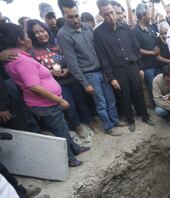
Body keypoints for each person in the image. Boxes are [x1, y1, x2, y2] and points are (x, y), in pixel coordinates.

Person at [1, 23, 89, 167]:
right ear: (20, 40)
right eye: (27, 36)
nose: (30, 38)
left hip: (44, 102)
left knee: (62, 127)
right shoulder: (22, 61)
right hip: (44, 103)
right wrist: (59, 100)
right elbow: (34, 86)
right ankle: (70, 158)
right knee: (60, 130)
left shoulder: (17, 58)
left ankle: (74, 148)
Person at [57, 0, 123, 136]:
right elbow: (72, 63)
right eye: (70, 17)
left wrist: (107, 71)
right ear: (63, 15)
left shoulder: (87, 28)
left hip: (102, 71)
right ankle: (109, 127)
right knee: (101, 103)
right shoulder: (63, 35)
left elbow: (100, 50)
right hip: (89, 75)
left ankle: (115, 121)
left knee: (110, 98)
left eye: (76, 15)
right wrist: (84, 83)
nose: (75, 19)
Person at [27, 19, 95, 138]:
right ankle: (77, 125)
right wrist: (50, 72)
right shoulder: (33, 52)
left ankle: (90, 121)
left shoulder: (58, 43)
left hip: (71, 77)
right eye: (36, 33)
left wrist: (69, 68)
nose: (41, 34)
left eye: (42, 31)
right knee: (69, 104)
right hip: (56, 83)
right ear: (32, 36)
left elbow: (72, 57)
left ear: (46, 30)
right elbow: (35, 71)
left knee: (81, 100)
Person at [94, 0, 154, 132]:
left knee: (138, 92)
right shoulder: (98, 33)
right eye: (107, 14)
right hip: (117, 70)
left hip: (133, 66)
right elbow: (103, 57)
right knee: (124, 96)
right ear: (101, 14)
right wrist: (112, 77)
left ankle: (144, 115)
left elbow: (135, 48)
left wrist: (140, 67)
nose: (111, 16)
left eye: (112, 12)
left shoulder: (125, 26)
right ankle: (130, 120)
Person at [134, 3, 159, 106]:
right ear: (143, 16)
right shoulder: (136, 31)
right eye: (148, 14)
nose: (150, 16)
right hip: (148, 66)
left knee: (160, 86)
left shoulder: (151, 27)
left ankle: (164, 105)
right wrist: (152, 53)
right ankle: (158, 107)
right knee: (153, 87)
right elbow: (137, 49)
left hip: (158, 62)